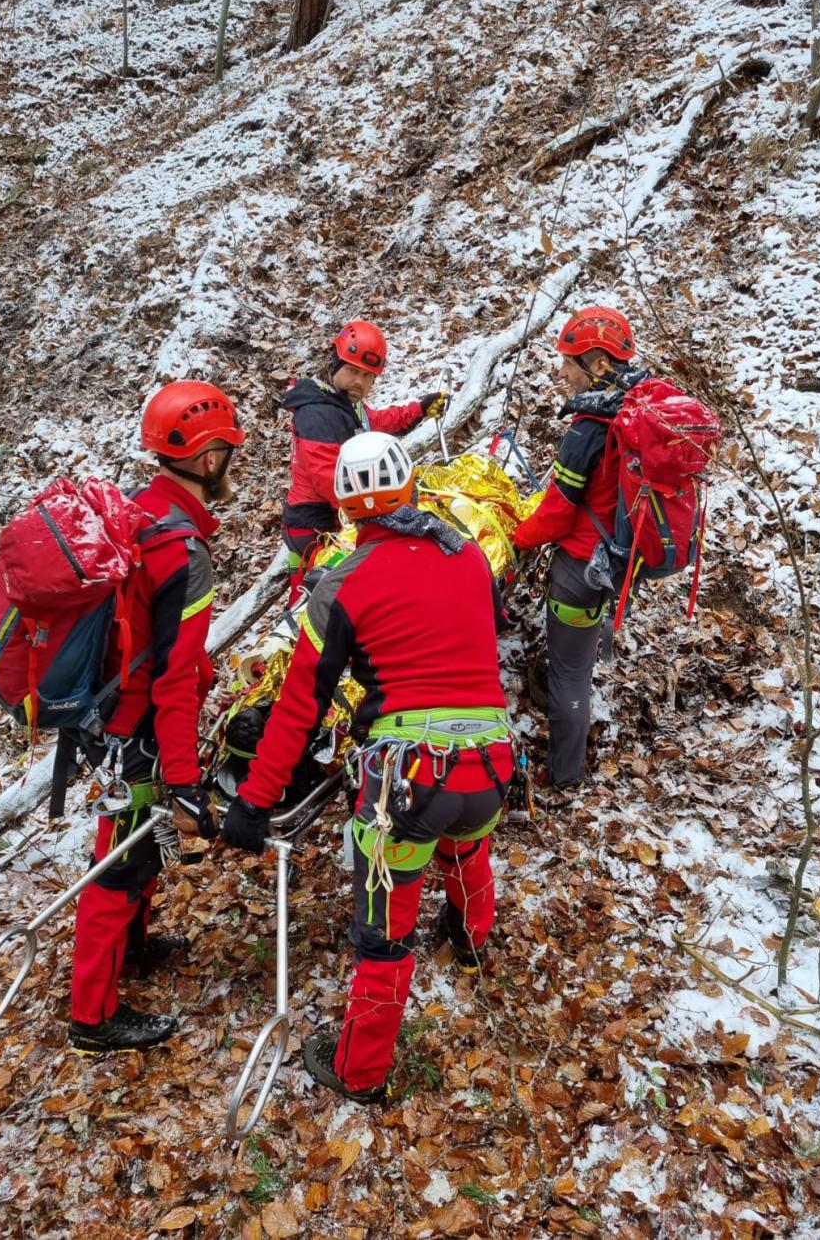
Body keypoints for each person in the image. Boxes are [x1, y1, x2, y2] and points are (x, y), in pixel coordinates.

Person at [222, 431, 513, 1102]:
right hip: (491, 764)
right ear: (409, 486)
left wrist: (255, 802)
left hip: (407, 784)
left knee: (383, 936)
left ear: (347, 510)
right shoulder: (466, 553)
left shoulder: (341, 587)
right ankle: (470, 936)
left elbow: (299, 709)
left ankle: (359, 1072)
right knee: (466, 845)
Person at [68, 381, 246, 1054]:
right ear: (206, 460)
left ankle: (132, 951)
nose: (233, 460)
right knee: (117, 861)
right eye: (228, 450)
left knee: (136, 842)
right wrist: (185, 778)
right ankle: (92, 1016)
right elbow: (174, 678)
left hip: (110, 710)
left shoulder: (141, 508)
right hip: (134, 725)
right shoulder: (186, 555)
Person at [512, 306, 651, 792]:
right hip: (615, 557)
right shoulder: (635, 407)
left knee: (568, 675)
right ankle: (597, 645)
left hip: (579, 571)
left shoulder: (590, 426)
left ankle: (565, 776)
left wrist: (514, 537)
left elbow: (557, 515)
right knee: (581, 656)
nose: (562, 371)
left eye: (568, 361)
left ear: (596, 363)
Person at [282, 320, 447, 580]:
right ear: (334, 363)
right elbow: (330, 480)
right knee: (314, 595)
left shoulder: (344, 402)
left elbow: (376, 422)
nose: (359, 382)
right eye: (352, 370)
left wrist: (419, 410)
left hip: (338, 514)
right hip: (314, 524)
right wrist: (376, 517)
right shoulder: (316, 413)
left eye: (367, 376)